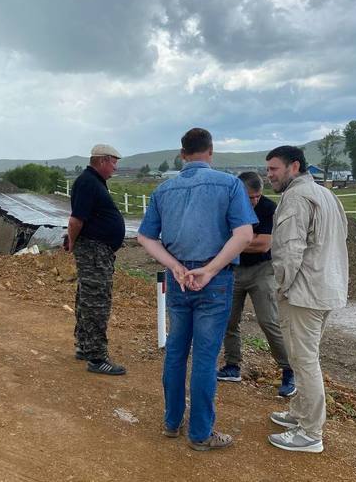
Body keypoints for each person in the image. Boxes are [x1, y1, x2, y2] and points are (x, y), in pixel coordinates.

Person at [137, 128, 256, 451]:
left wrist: (175, 266)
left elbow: (145, 237)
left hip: (179, 280)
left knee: (176, 352)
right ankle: (201, 433)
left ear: (182, 153)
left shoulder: (164, 190)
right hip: (213, 280)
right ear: (211, 151)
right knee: (204, 357)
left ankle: (172, 422)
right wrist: (210, 269)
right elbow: (244, 235)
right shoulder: (229, 184)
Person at [265, 145, 348, 454]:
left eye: (274, 169)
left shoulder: (296, 197)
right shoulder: (326, 194)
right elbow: (342, 237)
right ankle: (299, 413)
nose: (269, 174)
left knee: (304, 359)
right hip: (327, 288)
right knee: (305, 356)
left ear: (294, 166)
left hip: (303, 293)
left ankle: (310, 432)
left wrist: (282, 285)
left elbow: (289, 247)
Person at [217, 171, 296, 398]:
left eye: (257, 196)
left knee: (268, 320)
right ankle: (232, 366)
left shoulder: (269, 209)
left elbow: (263, 245)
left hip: (262, 270)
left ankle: (289, 370)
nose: (253, 201)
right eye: (249, 196)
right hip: (234, 270)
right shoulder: (229, 207)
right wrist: (239, 242)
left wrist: (233, 243)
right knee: (228, 320)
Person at [64, 144, 126, 375]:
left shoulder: (92, 182)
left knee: (87, 297)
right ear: (102, 160)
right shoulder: (88, 182)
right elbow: (75, 220)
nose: (115, 167)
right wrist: (72, 242)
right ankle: (97, 357)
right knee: (96, 301)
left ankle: (84, 346)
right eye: (113, 162)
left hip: (97, 250)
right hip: (94, 251)